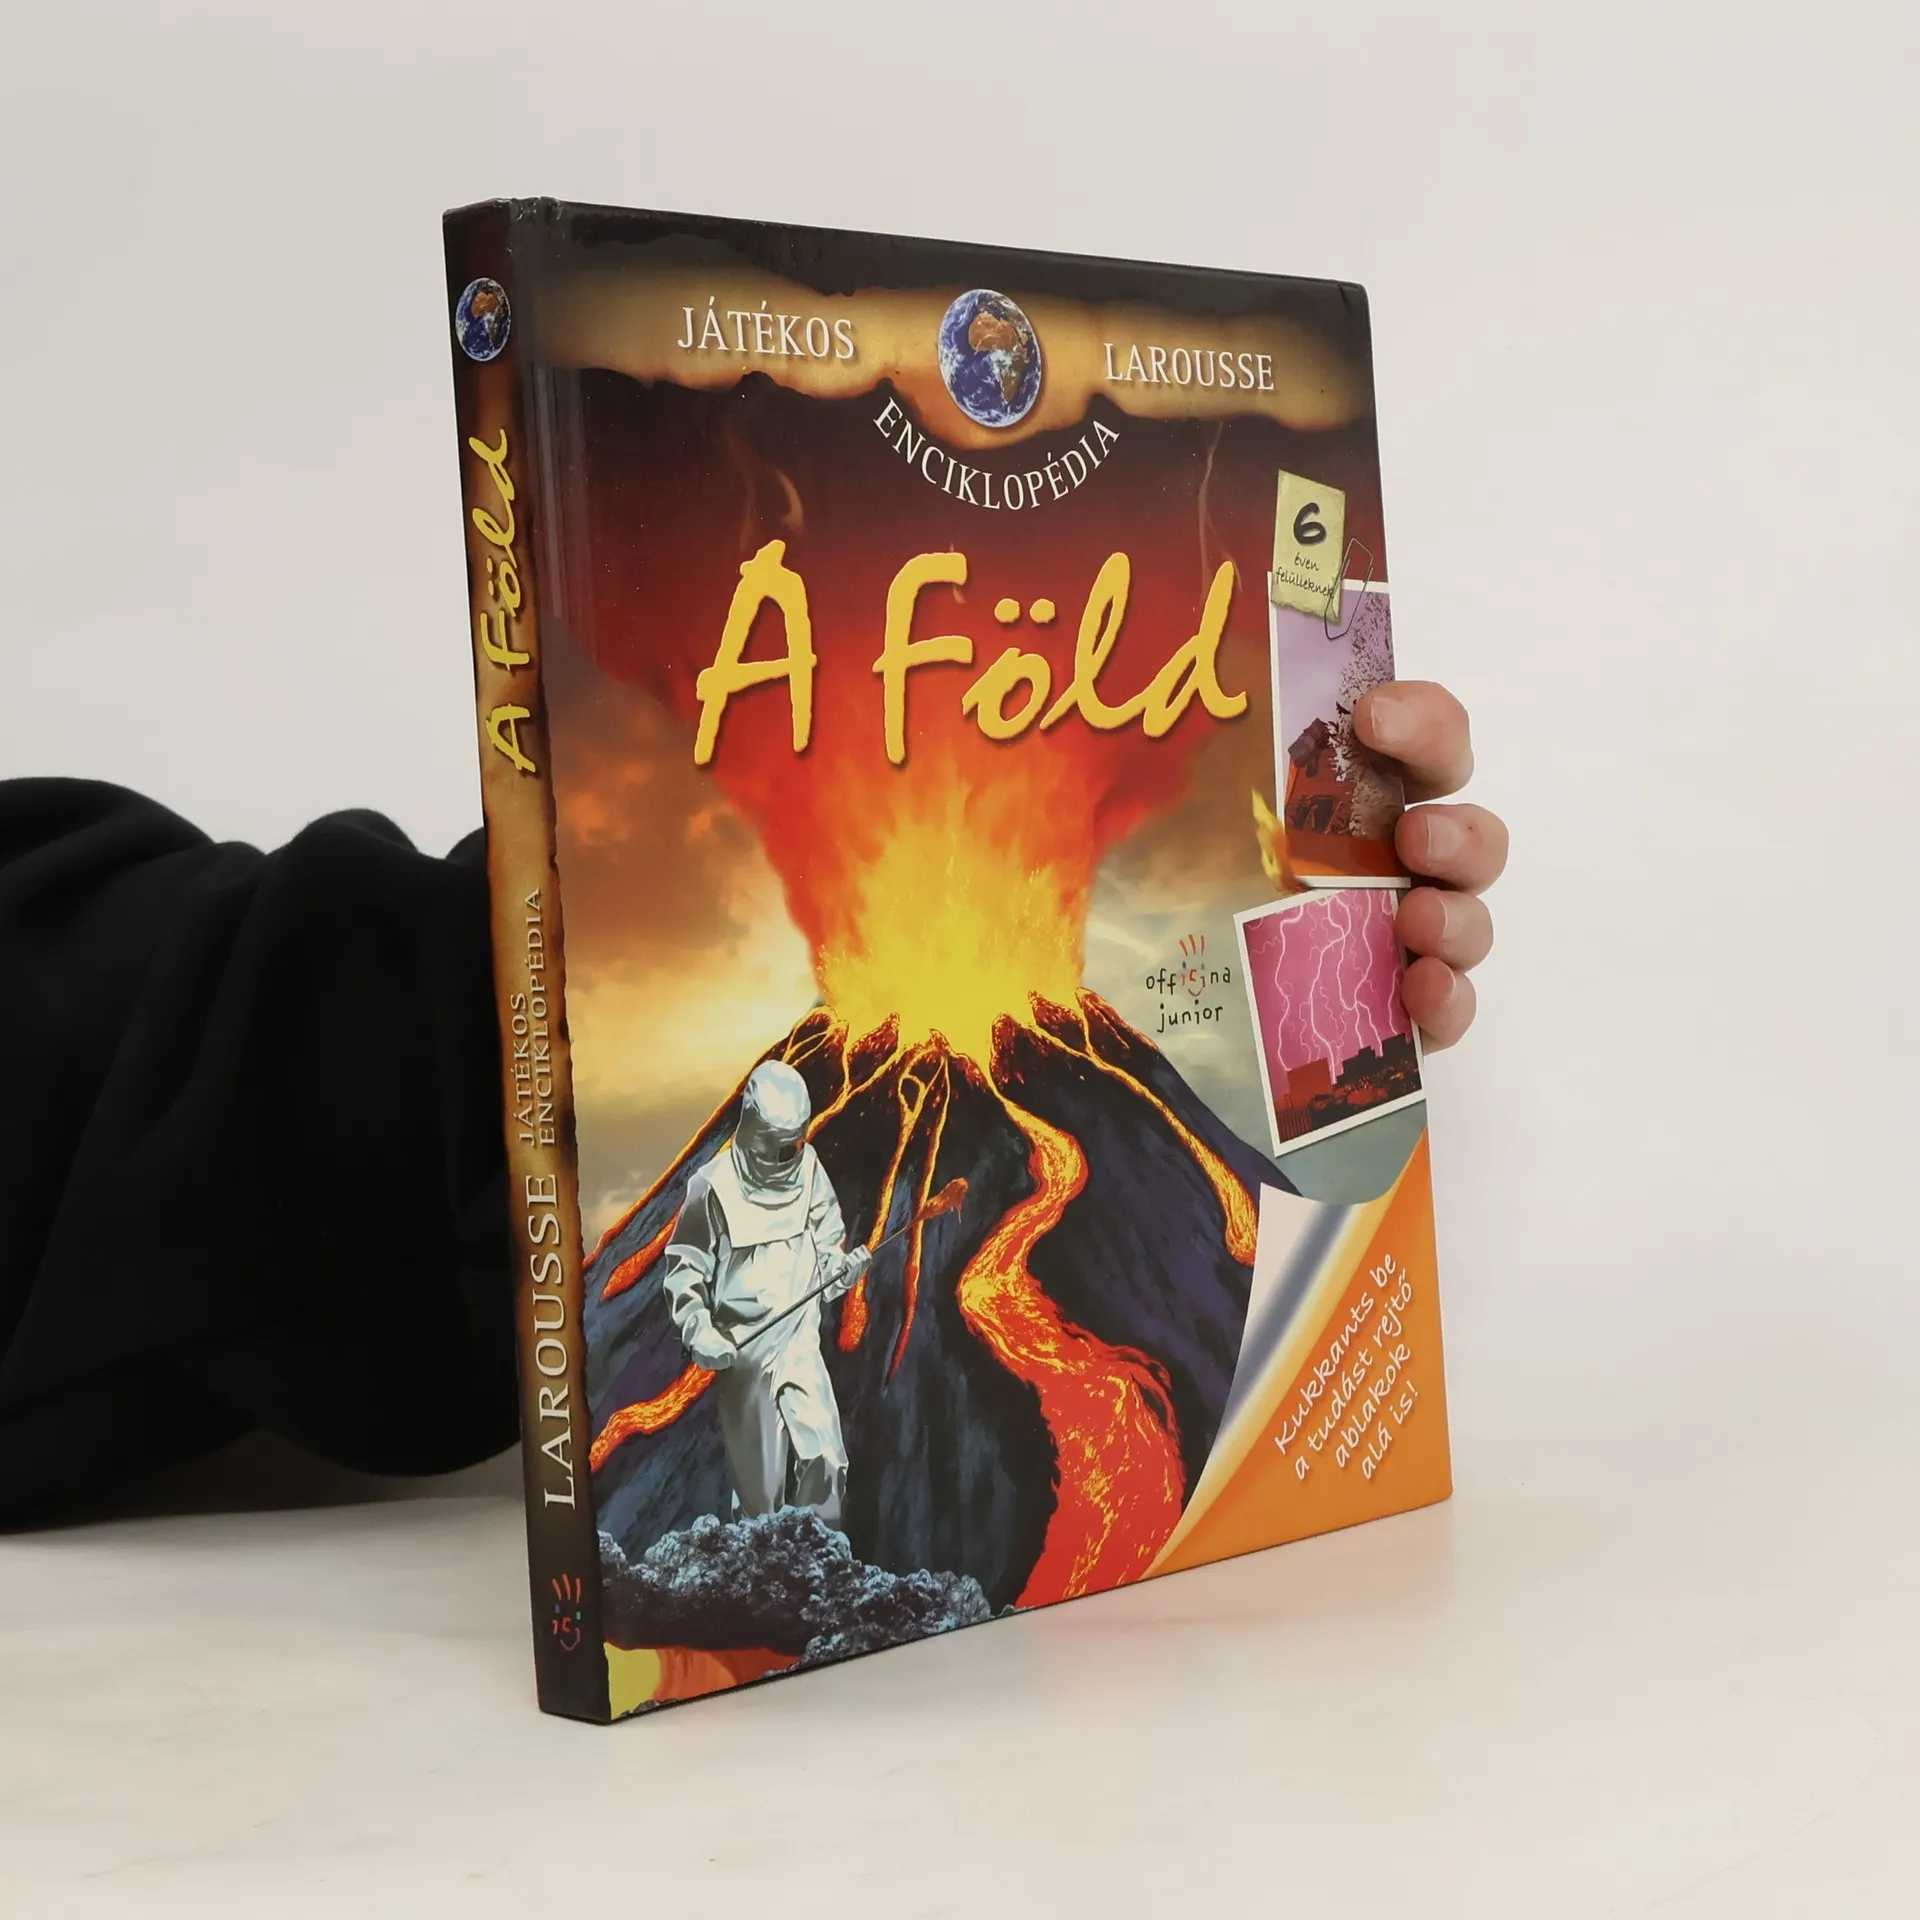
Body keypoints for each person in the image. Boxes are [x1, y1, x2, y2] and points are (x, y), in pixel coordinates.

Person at [0, 682, 1505, 1524]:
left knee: (825, 1463)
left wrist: (508, 1016)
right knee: (780, 1482)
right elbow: (685, 1287)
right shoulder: (739, 1176)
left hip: (776, 1329)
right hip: (744, 1356)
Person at [661, 1060, 870, 1528]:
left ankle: (819, 1558)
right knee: (760, 1497)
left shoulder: (809, 1169)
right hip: (745, 1360)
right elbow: (684, 1269)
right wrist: (700, 1330)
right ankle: (761, 1566)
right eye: (781, 1148)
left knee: (826, 1461)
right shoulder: (712, 1188)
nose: (790, 1157)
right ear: (755, 1133)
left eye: (796, 1144)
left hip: (800, 1346)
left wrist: (841, 1270)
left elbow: (827, 1245)